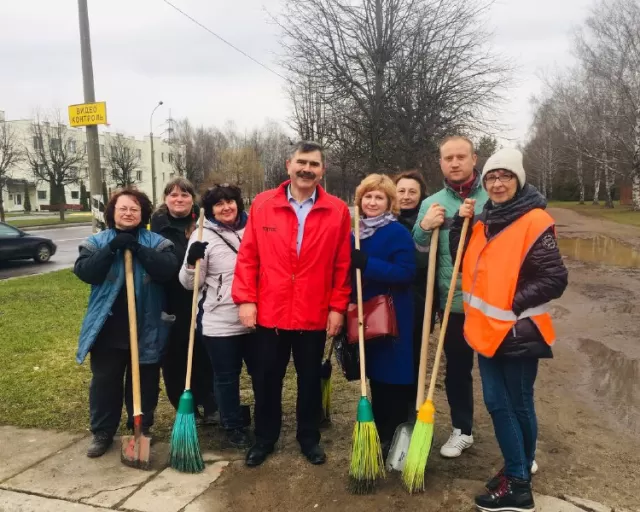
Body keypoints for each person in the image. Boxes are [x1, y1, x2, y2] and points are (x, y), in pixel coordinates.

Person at [451, 148, 568, 512]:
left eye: (505, 176)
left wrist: (509, 303)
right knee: (506, 405)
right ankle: (517, 471)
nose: (498, 183)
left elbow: (554, 278)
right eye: (491, 178)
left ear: (518, 180)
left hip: (517, 333)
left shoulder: (534, 220)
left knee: (509, 405)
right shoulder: (487, 219)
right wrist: (460, 224)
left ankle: (518, 487)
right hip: (488, 332)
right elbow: (464, 259)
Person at [232, 140, 352, 467]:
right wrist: (246, 301)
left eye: (314, 164)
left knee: (310, 379)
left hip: (313, 313)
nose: (306, 169)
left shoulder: (337, 211)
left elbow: (342, 265)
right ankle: (265, 437)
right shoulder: (263, 204)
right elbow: (248, 257)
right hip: (270, 311)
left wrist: (337, 307)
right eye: (301, 162)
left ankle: (308, 436)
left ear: (322, 170)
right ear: (288, 165)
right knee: (266, 378)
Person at [74, 188, 179, 458]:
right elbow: (86, 272)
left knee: (144, 381)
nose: (128, 213)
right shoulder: (97, 242)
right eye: (123, 208)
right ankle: (102, 432)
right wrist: (112, 248)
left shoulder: (157, 242)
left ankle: (140, 428)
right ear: (113, 213)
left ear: (142, 213)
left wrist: (138, 249)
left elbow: (167, 270)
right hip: (108, 328)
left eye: (134, 209)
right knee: (105, 382)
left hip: (146, 327)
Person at [413, 136, 488, 458]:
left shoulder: (495, 196)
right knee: (457, 369)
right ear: (440, 163)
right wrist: (424, 227)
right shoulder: (432, 202)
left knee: (498, 372)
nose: (455, 163)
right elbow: (417, 252)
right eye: (448, 158)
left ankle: (515, 437)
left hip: (492, 304)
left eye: (461, 156)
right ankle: (463, 429)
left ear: (474, 158)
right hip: (454, 305)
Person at [179, 184, 252, 449]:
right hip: (219, 321)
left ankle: (266, 421)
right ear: (210, 210)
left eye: (230, 201)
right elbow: (189, 284)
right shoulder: (201, 235)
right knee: (226, 377)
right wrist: (191, 262)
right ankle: (233, 426)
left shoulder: (254, 227)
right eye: (219, 204)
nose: (226, 207)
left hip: (256, 317)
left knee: (263, 374)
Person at [352, 173, 416, 457]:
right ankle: (377, 431)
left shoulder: (397, 232)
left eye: (379, 197)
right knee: (374, 376)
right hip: (363, 313)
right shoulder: (355, 231)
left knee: (394, 376)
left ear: (390, 202)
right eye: (368, 196)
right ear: (360, 200)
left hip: (392, 314)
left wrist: (368, 264)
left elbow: (406, 272)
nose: (373, 202)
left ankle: (395, 432)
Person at [150, 178, 218, 425]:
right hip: (170, 302)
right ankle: (184, 406)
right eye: (173, 195)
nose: (179, 199)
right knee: (175, 358)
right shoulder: (156, 228)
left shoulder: (203, 225)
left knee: (205, 354)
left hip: (200, 300)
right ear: (166, 199)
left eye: (184, 195)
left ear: (192, 199)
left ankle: (210, 402)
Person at [394, 170, 436, 393]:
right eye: (401, 190)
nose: (406, 196)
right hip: (389, 299)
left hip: (420, 298)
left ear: (421, 196)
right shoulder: (385, 218)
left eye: (413, 191)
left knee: (415, 353)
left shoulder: (428, 220)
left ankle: (413, 403)